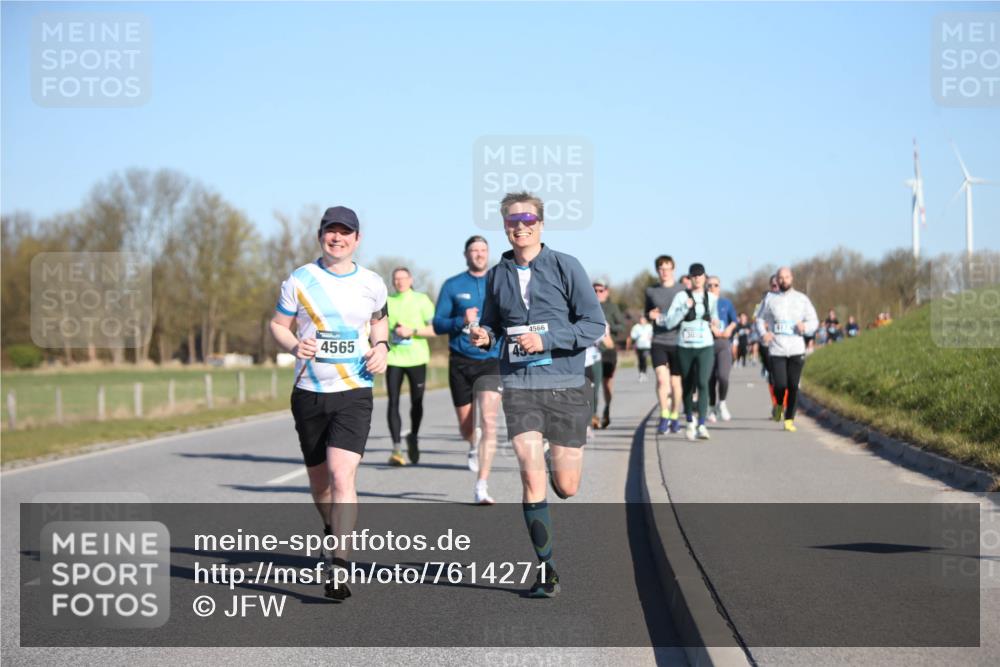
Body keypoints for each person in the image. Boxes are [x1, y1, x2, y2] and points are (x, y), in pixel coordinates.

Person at [469, 191, 605, 598]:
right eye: (512, 220)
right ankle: (546, 570)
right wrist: (484, 335)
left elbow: (593, 325)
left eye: (527, 219)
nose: (520, 226)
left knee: (567, 486)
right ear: (505, 226)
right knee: (529, 474)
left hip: (566, 386)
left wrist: (546, 341)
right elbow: (493, 324)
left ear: (541, 224)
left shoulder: (567, 266)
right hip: (520, 387)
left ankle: (555, 457)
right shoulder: (498, 274)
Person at [270, 205, 389, 601]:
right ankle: (331, 528)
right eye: (330, 232)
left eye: (345, 233)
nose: (337, 238)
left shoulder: (372, 282)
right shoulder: (300, 280)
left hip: (354, 390)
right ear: (321, 235)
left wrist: (382, 346)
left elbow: (378, 320)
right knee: (320, 484)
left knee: (342, 476)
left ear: (357, 240)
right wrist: (293, 344)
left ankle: (339, 564)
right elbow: (277, 324)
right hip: (309, 392)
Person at [433, 235, 502, 504]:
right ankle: (473, 444)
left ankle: (481, 486)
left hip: (491, 359)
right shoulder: (452, 285)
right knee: (467, 426)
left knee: (489, 421)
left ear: (488, 253)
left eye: (483, 250)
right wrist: (460, 319)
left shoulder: (498, 282)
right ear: (466, 255)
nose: (479, 254)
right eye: (474, 250)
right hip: (460, 360)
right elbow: (438, 324)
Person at [657, 263, 719, 440]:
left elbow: (716, 320)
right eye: (694, 276)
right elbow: (669, 322)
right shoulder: (680, 297)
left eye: (700, 275)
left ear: (704, 278)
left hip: (705, 346)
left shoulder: (711, 298)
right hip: (685, 347)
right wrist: (685, 308)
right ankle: (690, 421)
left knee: (703, 382)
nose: (697, 279)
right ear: (689, 278)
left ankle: (701, 424)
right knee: (688, 384)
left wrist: (716, 323)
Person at [756, 266, 819, 432]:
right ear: (777, 280)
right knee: (780, 384)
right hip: (777, 348)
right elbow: (759, 319)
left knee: (793, 386)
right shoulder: (770, 299)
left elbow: (814, 321)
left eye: (787, 277)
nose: (784, 280)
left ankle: (789, 419)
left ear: (792, 278)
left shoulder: (802, 299)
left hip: (796, 348)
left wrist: (805, 326)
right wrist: (764, 334)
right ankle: (778, 405)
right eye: (780, 278)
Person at [385, 267, 437, 466]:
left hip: (417, 358)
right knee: (393, 402)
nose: (400, 282)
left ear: (410, 279)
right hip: (394, 358)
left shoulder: (421, 299)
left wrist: (412, 331)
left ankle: (413, 436)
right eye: (396, 279)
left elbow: (434, 329)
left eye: (403, 278)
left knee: (417, 403)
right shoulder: (387, 301)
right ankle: (396, 449)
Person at [645, 256, 686, 434]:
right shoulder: (651, 291)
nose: (665, 272)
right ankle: (664, 414)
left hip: (678, 341)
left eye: (668, 268)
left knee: (676, 383)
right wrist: (650, 315)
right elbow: (646, 313)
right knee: (662, 380)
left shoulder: (682, 290)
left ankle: (675, 415)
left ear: (673, 270)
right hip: (659, 341)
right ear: (657, 271)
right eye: (661, 269)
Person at [593, 278, 626, 429]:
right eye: (595, 290)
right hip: (592, 350)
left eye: (601, 290)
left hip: (608, 350)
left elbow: (622, 327)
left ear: (607, 291)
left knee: (607, 384)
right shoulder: (587, 305)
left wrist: (609, 327)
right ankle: (593, 415)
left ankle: (607, 409)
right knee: (593, 384)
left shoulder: (612, 307)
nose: (598, 293)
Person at [706, 276, 737, 422]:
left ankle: (722, 403)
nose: (712, 288)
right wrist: (711, 327)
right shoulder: (703, 304)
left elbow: (734, 321)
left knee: (723, 377)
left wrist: (730, 329)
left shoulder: (726, 303)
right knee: (710, 379)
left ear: (720, 287)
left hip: (724, 344)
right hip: (707, 345)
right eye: (709, 285)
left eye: (715, 285)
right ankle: (711, 407)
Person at [629, 315, 654, 381]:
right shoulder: (636, 327)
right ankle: (641, 373)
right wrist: (637, 336)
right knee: (640, 360)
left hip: (647, 346)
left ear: (645, 320)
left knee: (644, 358)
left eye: (643, 319)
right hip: (639, 345)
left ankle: (644, 372)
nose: (642, 321)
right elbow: (632, 335)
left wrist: (651, 337)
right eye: (641, 319)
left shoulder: (649, 327)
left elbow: (652, 334)